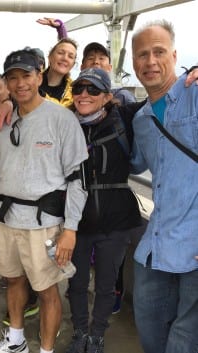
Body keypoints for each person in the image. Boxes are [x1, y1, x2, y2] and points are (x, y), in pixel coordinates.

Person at [0, 49, 87, 353]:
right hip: (6, 220)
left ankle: (46, 350)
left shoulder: (62, 119)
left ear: (39, 76)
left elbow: (78, 180)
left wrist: (71, 229)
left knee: (47, 290)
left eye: (26, 76)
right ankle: (16, 341)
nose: (20, 84)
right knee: (13, 281)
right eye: (12, 78)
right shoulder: (2, 121)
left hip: (45, 224)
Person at [129, 20, 198, 353]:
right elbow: (132, 164)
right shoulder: (141, 119)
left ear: (174, 54)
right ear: (133, 63)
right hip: (156, 247)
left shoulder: (195, 93)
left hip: (195, 245)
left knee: (184, 342)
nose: (151, 62)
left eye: (159, 52)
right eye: (143, 54)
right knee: (151, 332)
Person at [65, 67, 143, 353]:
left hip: (116, 219)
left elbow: (160, 95)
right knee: (76, 283)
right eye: (79, 89)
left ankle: (97, 335)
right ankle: (79, 333)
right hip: (76, 221)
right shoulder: (65, 123)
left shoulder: (124, 118)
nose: (84, 94)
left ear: (108, 96)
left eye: (93, 90)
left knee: (106, 284)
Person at [0, 71, 40, 323]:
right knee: (14, 263)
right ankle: (21, 303)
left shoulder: (27, 113)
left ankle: (31, 304)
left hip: (33, 206)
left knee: (32, 264)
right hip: (3, 202)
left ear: (7, 87)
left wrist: (11, 103)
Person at [81, 42, 136, 106]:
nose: (96, 62)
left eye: (101, 58)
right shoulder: (73, 94)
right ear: (82, 67)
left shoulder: (123, 96)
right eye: (90, 58)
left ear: (109, 68)